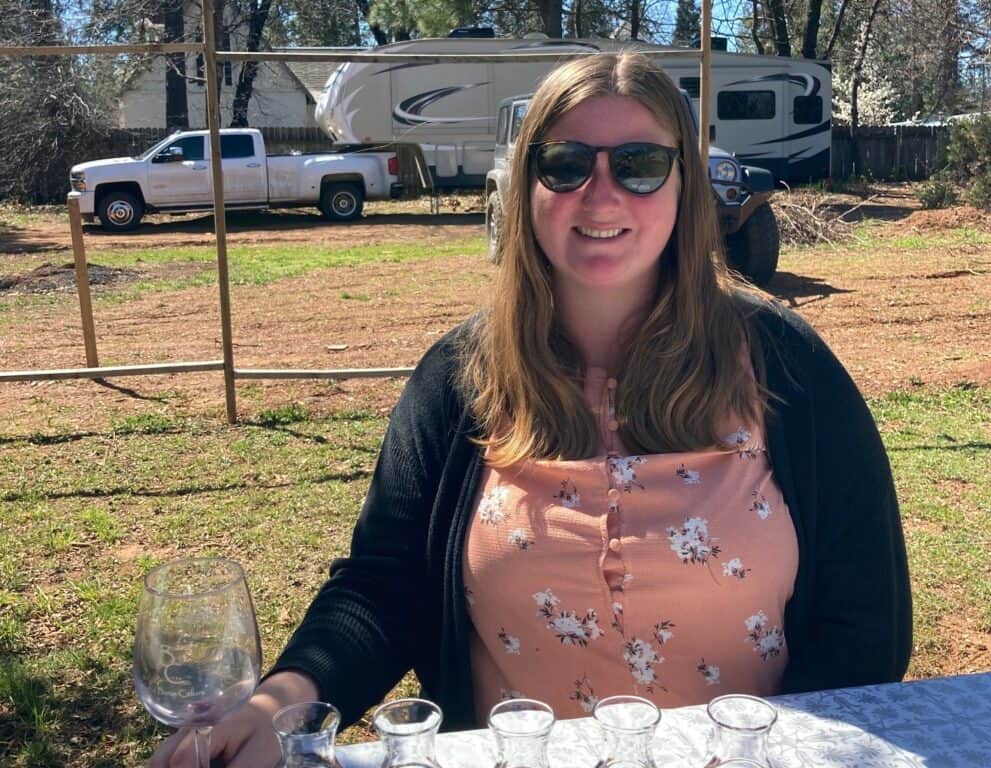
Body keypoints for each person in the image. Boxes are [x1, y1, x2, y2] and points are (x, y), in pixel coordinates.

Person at [151, 51, 912, 767]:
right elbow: (384, 585)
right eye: (566, 163)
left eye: (640, 165)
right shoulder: (460, 378)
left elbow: (866, 624)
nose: (601, 193)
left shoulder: (785, 366)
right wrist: (278, 700)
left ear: (687, 187)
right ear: (527, 188)